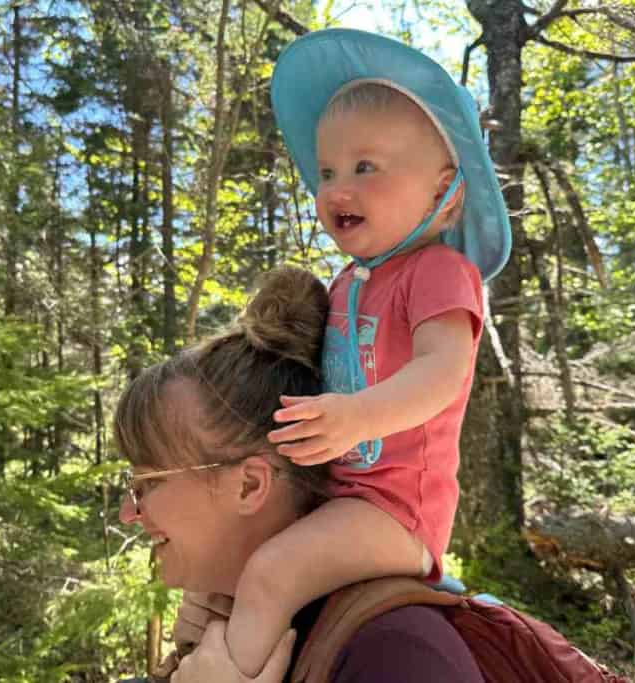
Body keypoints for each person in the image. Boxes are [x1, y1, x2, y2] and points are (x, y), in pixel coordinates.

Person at [221, 28, 513, 676]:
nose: (336, 188)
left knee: (271, 572)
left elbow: (443, 371)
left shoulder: (437, 271)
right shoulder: (350, 283)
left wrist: (356, 418)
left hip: (396, 511)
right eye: (326, 171)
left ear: (448, 190)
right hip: (340, 495)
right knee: (227, 551)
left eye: (365, 167)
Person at [115, 265, 484, 682]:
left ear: (250, 485)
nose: (129, 512)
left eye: (147, 483)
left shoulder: (398, 654)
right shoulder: (221, 632)